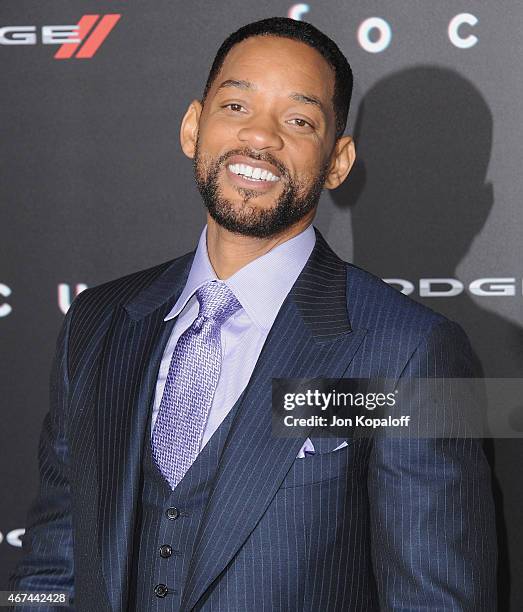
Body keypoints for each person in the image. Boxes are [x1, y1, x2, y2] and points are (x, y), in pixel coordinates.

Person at [10, 16, 497, 612]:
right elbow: (52, 559)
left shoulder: (407, 351)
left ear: (338, 161)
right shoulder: (98, 321)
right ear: (194, 127)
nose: (260, 137)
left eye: (298, 120)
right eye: (236, 105)